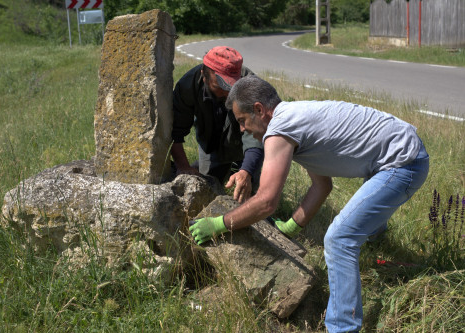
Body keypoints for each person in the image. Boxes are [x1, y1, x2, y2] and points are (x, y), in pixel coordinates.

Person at [189, 75, 429, 332]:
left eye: (242, 121)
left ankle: (342, 328)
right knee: (359, 226)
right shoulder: (295, 119)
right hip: (394, 156)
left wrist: (219, 224)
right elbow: (322, 185)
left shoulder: (279, 130)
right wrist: (291, 227)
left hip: (403, 162)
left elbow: (267, 202)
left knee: (339, 239)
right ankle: (379, 249)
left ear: (259, 110)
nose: (242, 129)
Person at [171, 46, 264, 203]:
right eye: (219, 87)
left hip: (245, 147)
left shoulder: (251, 87)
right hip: (211, 145)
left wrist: (246, 170)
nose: (227, 93)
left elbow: (256, 135)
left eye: (230, 87)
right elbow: (175, 131)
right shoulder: (188, 86)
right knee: (209, 188)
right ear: (204, 76)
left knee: (248, 192)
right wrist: (183, 166)